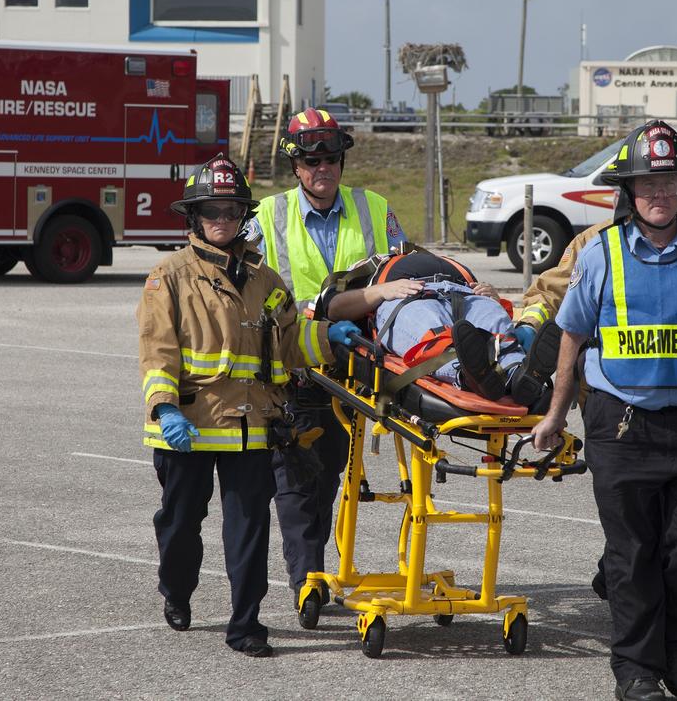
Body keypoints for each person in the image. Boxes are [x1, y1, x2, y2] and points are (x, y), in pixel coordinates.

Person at [533, 120, 677, 701]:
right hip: (619, 424)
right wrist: (557, 415)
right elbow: (570, 339)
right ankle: (637, 670)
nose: (659, 196)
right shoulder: (599, 253)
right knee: (632, 551)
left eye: (669, 184)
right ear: (628, 191)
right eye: (647, 185)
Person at [136, 154, 359, 658]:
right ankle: (175, 589)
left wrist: (329, 337)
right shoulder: (167, 277)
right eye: (211, 210)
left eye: (231, 211)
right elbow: (158, 350)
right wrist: (165, 407)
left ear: (243, 217)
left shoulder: (264, 278)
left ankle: (246, 627)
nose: (221, 220)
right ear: (193, 217)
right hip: (186, 426)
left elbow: (290, 339)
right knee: (178, 526)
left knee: (249, 531)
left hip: (252, 426)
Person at [515, 193, 677, 603]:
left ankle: (625, 577)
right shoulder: (596, 244)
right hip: (613, 405)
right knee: (634, 518)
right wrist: (526, 330)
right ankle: (628, 583)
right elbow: (551, 293)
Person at [248, 106, 407, 608]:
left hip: (359, 371)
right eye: (312, 160)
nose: (324, 168)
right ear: (295, 166)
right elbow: (243, 293)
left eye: (332, 158)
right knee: (295, 479)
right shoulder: (268, 217)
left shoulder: (375, 209)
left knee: (331, 472)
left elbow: (404, 269)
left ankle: (314, 568)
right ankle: (307, 580)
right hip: (295, 368)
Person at [318, 249, 560, 406]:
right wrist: (381, 291)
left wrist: (491, 295)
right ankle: (468, 374)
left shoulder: (446, 261)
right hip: (405, 298)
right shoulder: (365, 272)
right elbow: (334, 308)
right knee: (433, 332)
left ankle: (519, 375)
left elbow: (485, 303)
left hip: (463, 292)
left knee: (494, 322)